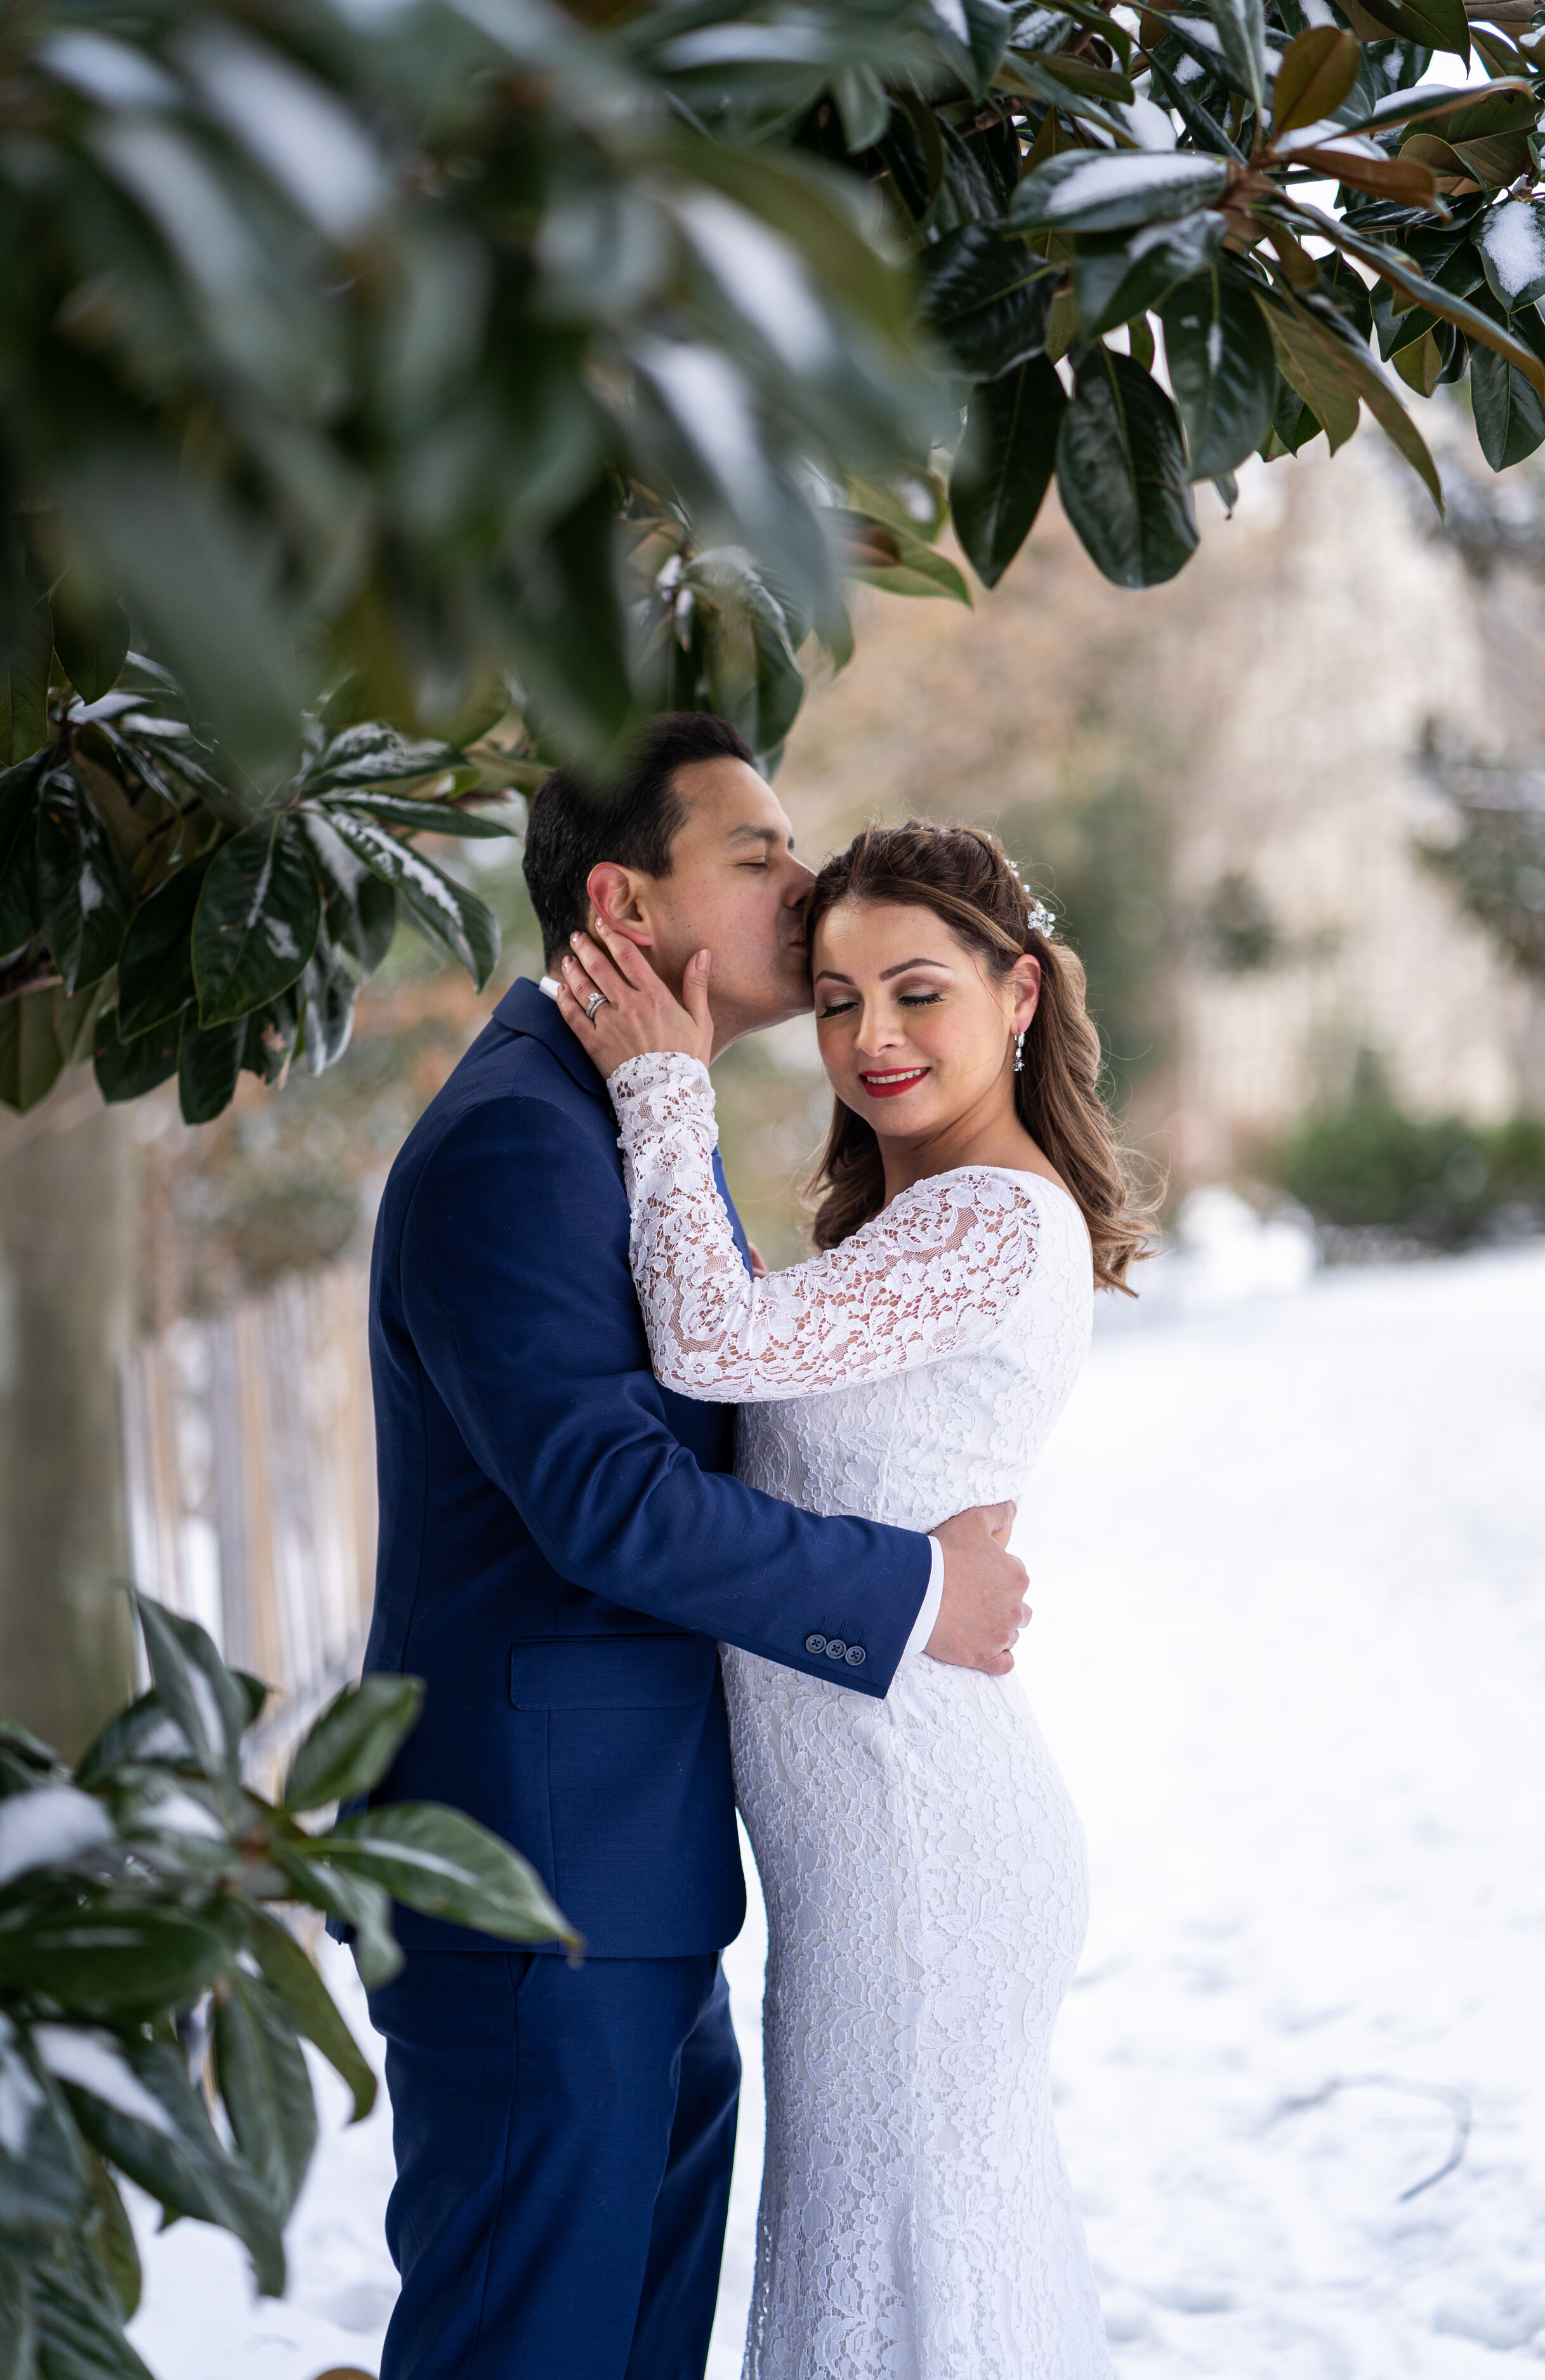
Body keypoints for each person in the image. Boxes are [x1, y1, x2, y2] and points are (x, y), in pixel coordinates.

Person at [359, 715, 1034, 2380]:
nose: (805, 890)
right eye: (757, 855)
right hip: (535, 1882)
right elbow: (609, 1499)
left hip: (633, 1868)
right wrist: (914, 1587)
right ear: (621, 896)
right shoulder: (524, 1136)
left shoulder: (614, 1115)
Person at [556, 816, 1151, 2379]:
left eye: (916, 992)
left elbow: (707, 1342)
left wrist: (658, 1081)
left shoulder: (986, 1217)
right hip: (872, 1837)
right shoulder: (923, 1214)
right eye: (832, 999)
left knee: (915, 2286)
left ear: (1016, 995)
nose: (868, 1038)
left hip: (917, 1843)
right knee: (893, 2272)